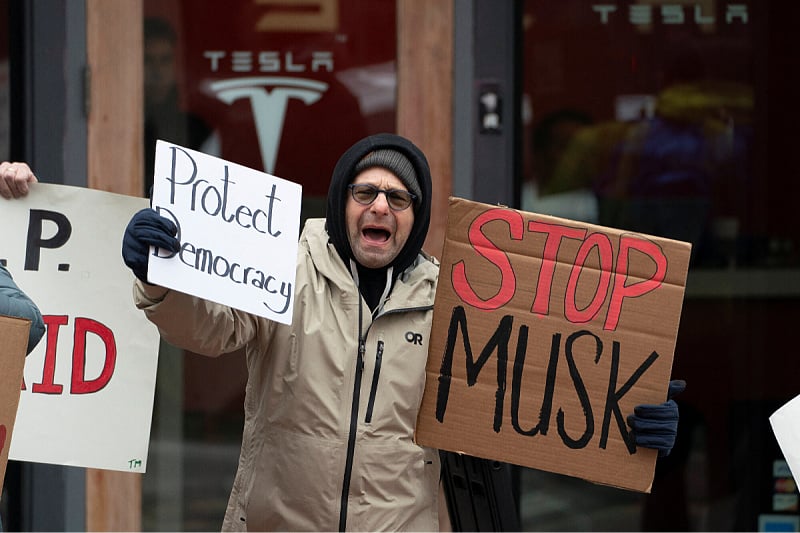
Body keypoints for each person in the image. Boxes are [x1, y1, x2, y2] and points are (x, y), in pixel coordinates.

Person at [121, 133, 683, 531]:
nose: (381, 206)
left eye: (399, 197)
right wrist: (162, 282)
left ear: (417, 217)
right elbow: (211, 329)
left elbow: (529, 400)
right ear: (343, 203)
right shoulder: (285, 270)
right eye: (365, 192)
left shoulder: (454, 305)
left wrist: (624, 421)